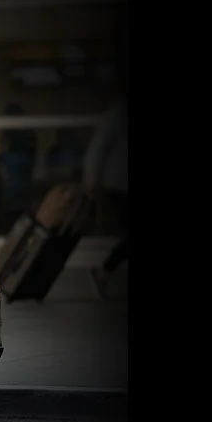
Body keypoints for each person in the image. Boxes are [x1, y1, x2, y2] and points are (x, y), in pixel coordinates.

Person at [81, 97, 128, 299]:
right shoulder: (118, 114)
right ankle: (105, 270)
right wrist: (91, 180)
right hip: (119, 185)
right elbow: (97, 150)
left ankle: (105, 271)